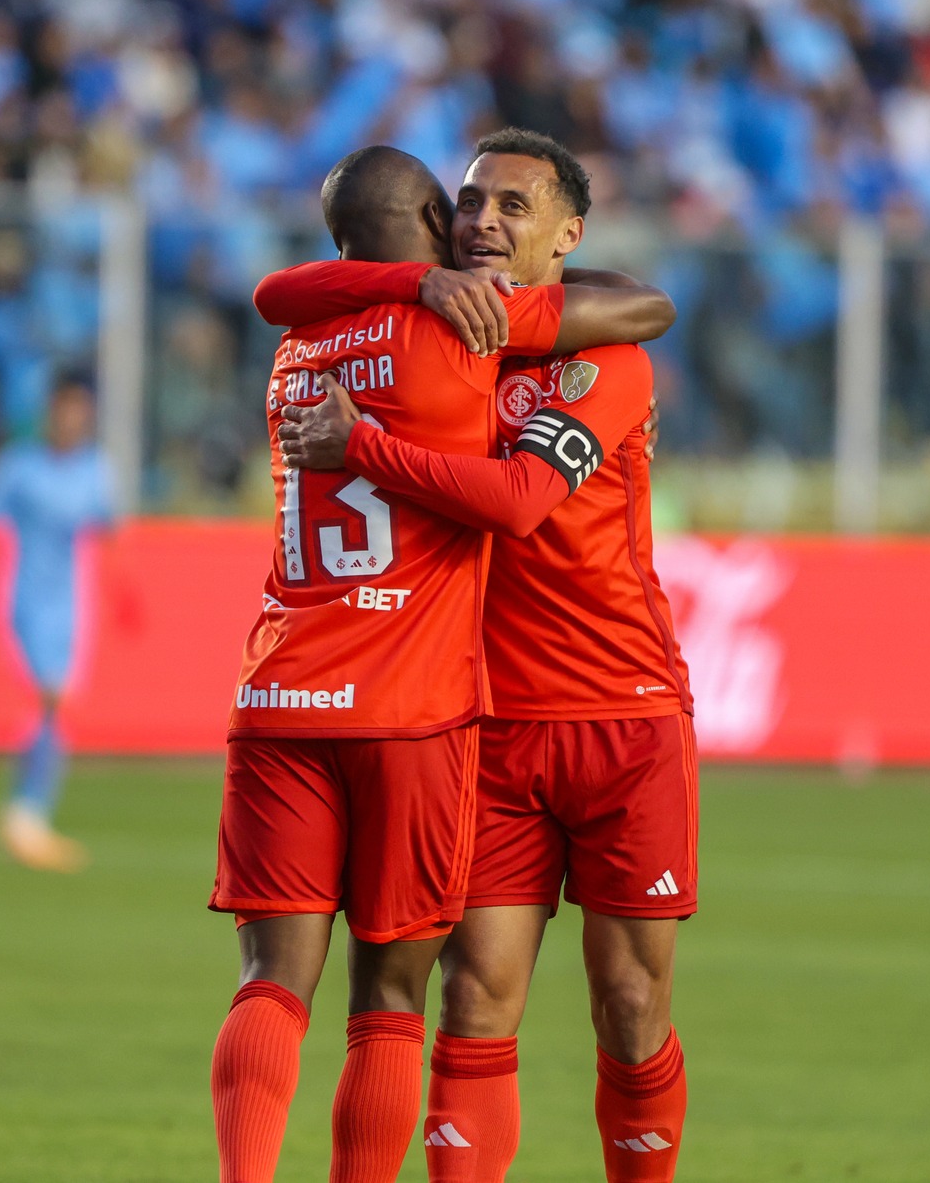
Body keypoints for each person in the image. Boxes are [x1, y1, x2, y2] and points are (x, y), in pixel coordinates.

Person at [209, 144, 674, 1183]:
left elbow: (273, 288)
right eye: (462, 204)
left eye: (511, 204)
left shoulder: (313, 340)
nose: (478, 222)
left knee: (625, 1000)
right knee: (429, 1000)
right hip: (445, 716)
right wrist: (425, 289)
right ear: (428, 222)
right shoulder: (462, 330)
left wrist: (370, 401)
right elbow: (642, 307)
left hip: (573, 705)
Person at [0, 365, 112, 872]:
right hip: (21, 599)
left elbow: (107, 531)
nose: (74, 420)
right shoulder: (18, 467)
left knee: (54, 708)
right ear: (50, 412)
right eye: (66, 409)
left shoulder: (97, 470)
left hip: (71, 606)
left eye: (82, 412)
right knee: (45, 702)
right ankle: (26, 814)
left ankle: (27, 813)